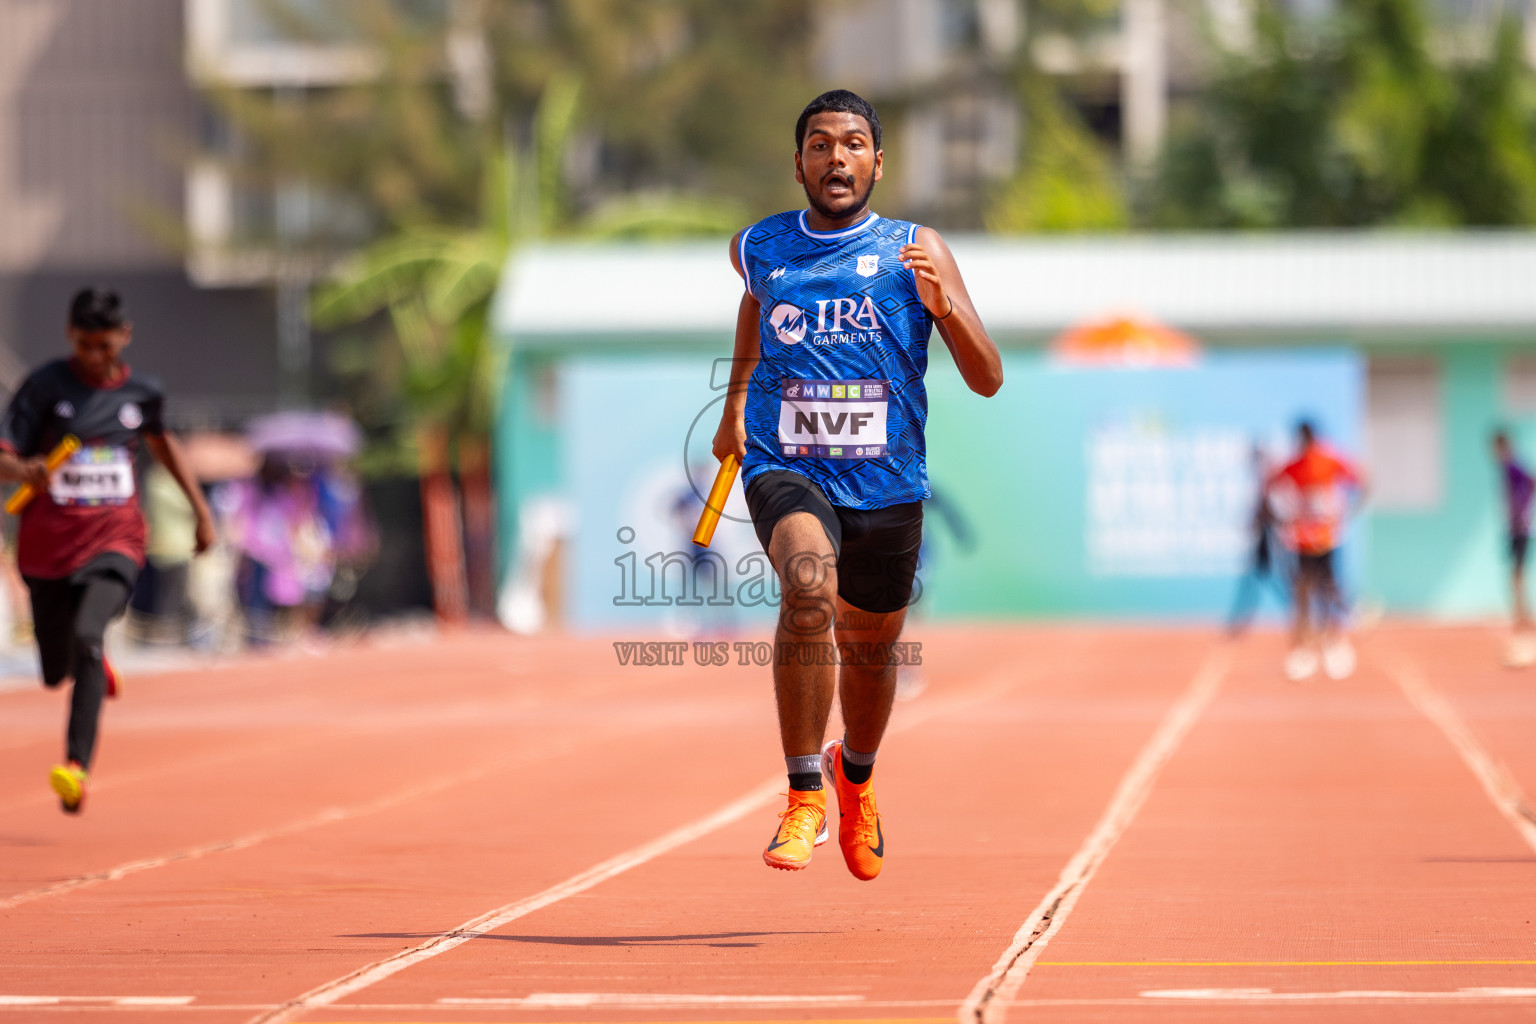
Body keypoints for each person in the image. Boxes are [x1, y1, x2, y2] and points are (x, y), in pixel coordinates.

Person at [712, 90, 1002, 879]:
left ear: (878, 161)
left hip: (888, 481)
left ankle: (857, 777)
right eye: (819, 144)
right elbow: (753, 304)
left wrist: (947, 312)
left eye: (852, 144)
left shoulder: (919, 248)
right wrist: (738, 403)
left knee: (873, 650)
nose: (836, 158)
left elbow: (988, 379)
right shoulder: (760, 245)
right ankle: (804, 789)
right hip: (787, 463)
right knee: (807, 590)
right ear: (798, 162)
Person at [0, 287, 215, 813]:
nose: (96, 356)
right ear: (72, 337)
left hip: (115, 538)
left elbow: (165, 448)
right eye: (85, 344)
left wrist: (201, 513)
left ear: (125, 335)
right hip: (48, 548)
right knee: (55, 671)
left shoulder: (142, 394)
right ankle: (85, 660)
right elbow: (4, 452)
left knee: (90, 637)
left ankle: (75, 767)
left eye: (105, 345)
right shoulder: (46, 387)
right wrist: (21, 469)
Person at [1266, 420, 1365, 682]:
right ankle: (1303, 649)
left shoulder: (1329, 460)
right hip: (1301, 540)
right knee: (1302, 592)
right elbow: (1270, 486)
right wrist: (1282, 517)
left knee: (1328, 590)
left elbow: (1362, 481)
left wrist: (1348, 513)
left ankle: (1333, 643)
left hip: (1326, 538)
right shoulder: (1294, 465)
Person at [1226, 443, 1292, 636]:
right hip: (1264, 539)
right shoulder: (1262, 479)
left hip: (1269, 539)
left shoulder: (1269, 479)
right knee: (1258, 581)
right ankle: (1238, 623)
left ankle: (1238, 623)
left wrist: (1259, 521)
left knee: (1269, 581)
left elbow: (1271, 510)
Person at [1493, 430, 1535, 667]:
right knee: (1515, 577)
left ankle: (1523, 623)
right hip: (1515, 529)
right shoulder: (1507, 468)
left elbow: (1531, 482)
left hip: (1521, 529)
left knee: (1517, 577)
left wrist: (1521, 513)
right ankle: (1521, 621)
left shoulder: (1513, 466)